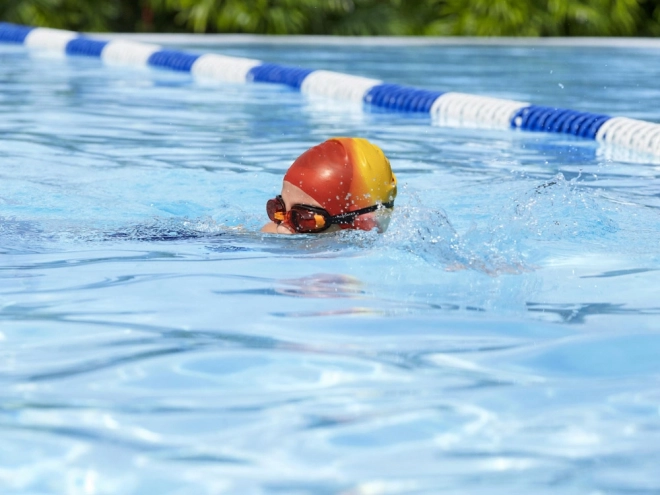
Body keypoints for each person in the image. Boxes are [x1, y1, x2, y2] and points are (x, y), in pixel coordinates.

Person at [262, 137, 397, 234]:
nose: (281, 229)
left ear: (362, 225)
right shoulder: (269, 232)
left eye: (304, 219)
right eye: (279, 210)